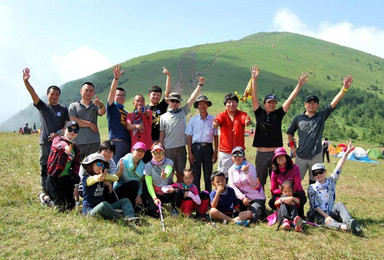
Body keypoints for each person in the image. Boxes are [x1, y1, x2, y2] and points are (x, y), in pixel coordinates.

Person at [287, 75, 354, 184]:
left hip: (316, 155)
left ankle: (315, 201)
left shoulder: (321, 116)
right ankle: (294, 200)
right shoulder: (298, 118)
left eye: (314, 103)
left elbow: (333, 103)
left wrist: (344, 89)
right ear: (305, 104)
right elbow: (290, 132)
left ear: (318, 105)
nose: (312, 105)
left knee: (316, 183)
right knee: (294, 182)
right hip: (301, 155)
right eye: (309, 103)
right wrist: (293, 148)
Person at [250, 65, 308, 187]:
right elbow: (254, 96)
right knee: (259, 180)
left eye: (274, 102)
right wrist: (254, 79)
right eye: (269, 102)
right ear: (264, 103)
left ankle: (277, 203)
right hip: (261, 154)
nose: (271, 105)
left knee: (278, 180)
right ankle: (259, 203)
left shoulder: (279, 114)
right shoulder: (258, 112)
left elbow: (290, 99)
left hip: (276, 154)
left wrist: (299, 86)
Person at [22, 68, 69, 196]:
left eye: (56, 94)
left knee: (57, 167)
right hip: (45, 143)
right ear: (47, 94)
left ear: (59, 96)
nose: (54, 96)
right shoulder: (43, 107)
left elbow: (67, 127)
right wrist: (26, 82)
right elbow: (33, 93)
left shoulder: (63, 109)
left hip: (59, 144)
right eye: (51, 94)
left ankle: (55, 190)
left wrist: (58, 133)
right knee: (44, 167)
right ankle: (44, 191)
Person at [307, 141, 362, 234]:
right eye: (315, 173)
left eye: (320, 172)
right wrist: (326, 216)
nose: (318, 175)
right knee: (327, 220)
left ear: (325, 172)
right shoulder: (312, 188)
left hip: (330, 211)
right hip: (318, 214)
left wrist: (347, 153)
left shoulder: (331, 181)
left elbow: (339, 166)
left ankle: (350, 222)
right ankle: (346, 227)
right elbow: (315, 206)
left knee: (339, 204)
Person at [159, 77, 204, 182]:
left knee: (180, 173)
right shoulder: (163, 117)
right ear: (169, 101)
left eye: (177, 101)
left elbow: (192, 98)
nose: (174, 103)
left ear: (179, 102)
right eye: (172, 101)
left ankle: (179, 193)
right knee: (168, 173)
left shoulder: (183, 112)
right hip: (168, 149)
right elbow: (162, 133)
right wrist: (161, 148)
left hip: (181, 148)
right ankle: (169, 194)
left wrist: (200, 85)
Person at [81, 153, 136, 222]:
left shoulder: (102, 176)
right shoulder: (86, 178)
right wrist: (98, 178)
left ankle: (130, 217)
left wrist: (106, 177)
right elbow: (91, 180)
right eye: (98, 164)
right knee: (104, 204)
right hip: (90, 212)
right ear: (90, 165)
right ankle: (121, 219)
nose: (101, 167)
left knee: (125, 201)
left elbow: (115, 178)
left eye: (102, 165)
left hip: (103, 209)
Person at [185, 94, 218, 192]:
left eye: (204, 104)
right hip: (196, 148)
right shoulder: (193, 120)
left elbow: (216, 136)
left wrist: (216, 151)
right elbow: (189, 137)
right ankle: (196, 195)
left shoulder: (213, 120)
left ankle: (207, 196)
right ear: (197, 106)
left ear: (207, 105)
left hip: (208, 149)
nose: (202, 106)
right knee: (195, 174)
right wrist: (190, 153)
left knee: (208, 173)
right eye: (200, 104)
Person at [45, 121, 81, 211]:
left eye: (75, 131)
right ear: (64, 130)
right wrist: (65, 148)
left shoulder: (76, 149)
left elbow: (76, 169)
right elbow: (59, 145)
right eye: (70, 129)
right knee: (60, 208)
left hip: (67, 180)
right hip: (55, 178)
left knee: (70, 207)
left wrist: (76, 185)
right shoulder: (58, 139)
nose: (72, 132)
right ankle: (46, 199)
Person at [213, 94, 251, 178]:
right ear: (225, 104)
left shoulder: (241, 114)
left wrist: (247, 121)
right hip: (225, 152)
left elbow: (245, 119)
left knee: (240, 175)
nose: (231, 104)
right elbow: (218, 120)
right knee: (223, 176)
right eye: (229, 102)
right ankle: (224, 191)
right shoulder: (222, 115)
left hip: (239, 152)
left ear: (237, 103)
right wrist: (216, 123)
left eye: (233, 102)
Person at [69, 82, 106, 160]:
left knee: (93, 167)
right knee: (76, 167)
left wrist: (101, 105)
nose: (88, 92)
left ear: (94, 93)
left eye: (91, 91)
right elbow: (73, 120)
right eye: (86, 90)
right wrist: (90, 125)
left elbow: (102, 112)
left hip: (93, 142)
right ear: (81, 91)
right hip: (78, 141)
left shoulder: (95, 105)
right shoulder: (73, 105)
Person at [228, 146, 266, 222]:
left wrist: (247, 172)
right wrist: (243, 197)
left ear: (244, 156)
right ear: (232, 157)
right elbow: (233, 187)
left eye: (240, 155)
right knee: (230, 210)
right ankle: (240, 216)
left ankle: (236, 219)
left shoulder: (249, 166)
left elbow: (254, 183)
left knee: (255, 217)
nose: (237, 157)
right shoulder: (231, 170)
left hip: (256, 196)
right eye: (234, 155)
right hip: (242, 198)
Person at [269, 147, 307, 218]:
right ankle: (285, 217)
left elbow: (298, 186)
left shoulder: (295, 168)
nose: (280, 159)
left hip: (295, 193)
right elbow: (273, 189)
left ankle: (296, 216)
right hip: (282, 194)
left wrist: (290, 195)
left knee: (302, 197)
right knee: (271, 202)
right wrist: (284, 194)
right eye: (278, 157)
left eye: (282, 156)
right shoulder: (274, 171)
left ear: (286, 157)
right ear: (275, 160)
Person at [106, 65, 131, 163]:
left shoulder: (126, 112)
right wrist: (116, 79)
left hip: (127, 143)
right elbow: (112, 92)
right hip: (116, 143)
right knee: (113, 167)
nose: (121, 97)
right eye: (118, 95)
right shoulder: (112, 107)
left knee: (124, 168)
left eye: (123, 95)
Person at [143, 142, 175, 218]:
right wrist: (155, 198)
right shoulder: (147, 166)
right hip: (155, 192)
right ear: (151, 153)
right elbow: (149, 184)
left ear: (164, 152)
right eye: (155, 152)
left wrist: (165, 174)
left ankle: (175, 209)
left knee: (178, 193)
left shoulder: (169, 162)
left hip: (168, 191)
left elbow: (169, 169)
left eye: (160, 152)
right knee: (152, 211)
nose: (158, 155)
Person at [113, 142, 146, 209]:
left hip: (134, 189)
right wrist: (140, 178)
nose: (140, 153)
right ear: (132, 150)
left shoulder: (143, 165)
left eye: (142, 151)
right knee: (133, 184)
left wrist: (139, 195)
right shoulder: (124, 160)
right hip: (119, 189)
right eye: (138, 150)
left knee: (144, 204)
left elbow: (141, 182)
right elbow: (126, 178)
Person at [147, 67, 172, 142]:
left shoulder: (162, 106)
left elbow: (168, 91)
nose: (156, 97)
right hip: (148, 139)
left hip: (161, 139)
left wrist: (168, 76)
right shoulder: (145, 108)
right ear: (149, 95)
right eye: (154, 94)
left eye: (158, 95)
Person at [126, 94, 153, 163]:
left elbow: (147, 113)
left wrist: (142, 111)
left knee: (147, 169)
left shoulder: (148, 112)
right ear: (133, 103)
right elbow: (128, 126)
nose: (140, 103)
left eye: (142, 101)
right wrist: (135, 126)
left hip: (147, 147)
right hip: (135, 148)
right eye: (137, 101)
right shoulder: (129, 115)